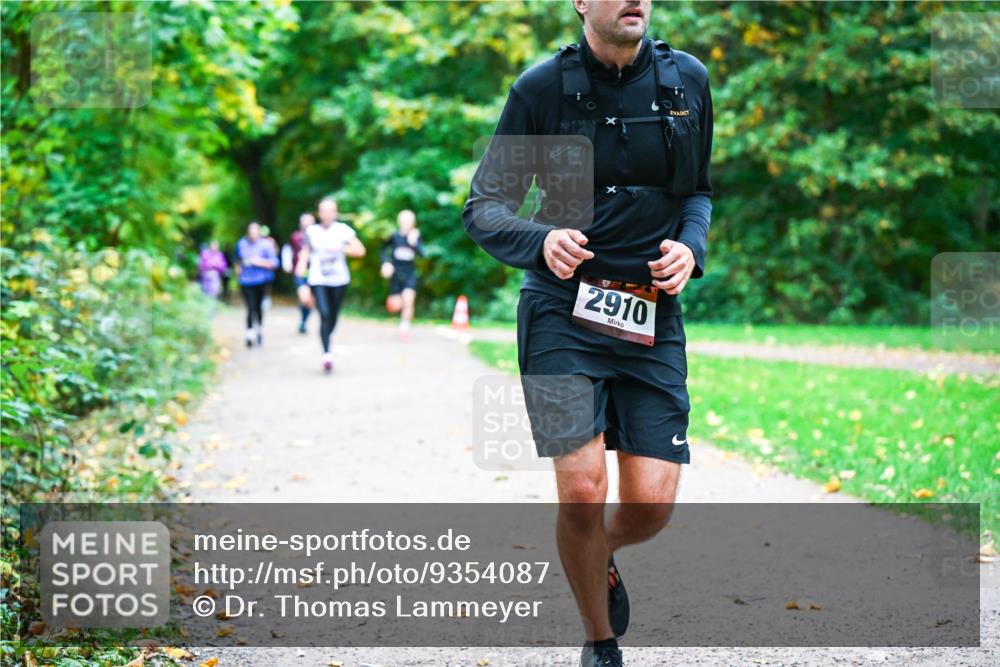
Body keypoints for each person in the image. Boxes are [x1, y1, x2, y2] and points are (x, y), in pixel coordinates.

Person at [462, 1, 713, 665]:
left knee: (652, 504)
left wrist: (691, 247)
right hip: (559, 312)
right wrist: (540, 240)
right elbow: (483, 207)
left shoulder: (685, 81)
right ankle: (600, 642)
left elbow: (698, 191)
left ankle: (598, 551)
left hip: (650, 315)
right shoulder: (541, 90)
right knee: (580, 489)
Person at [296, 197, 366, 373]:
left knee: (333, 316)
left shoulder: (343, 230)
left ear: (335, 213)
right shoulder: (311, 231)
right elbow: (304, 254)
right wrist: (301, 278)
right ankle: (327, 354)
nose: (327, 214)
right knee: (324, 314)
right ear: (319, 213)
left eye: (330, 211)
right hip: (318, 279)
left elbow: (360, 250)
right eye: (324, 211)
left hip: (339, 280)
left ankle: (327, 336)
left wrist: (341, 249)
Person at [380, 209, 425, 341]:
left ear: (413, 223)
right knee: (395, 305)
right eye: (404, 221)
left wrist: (414, 243)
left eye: (409, 221)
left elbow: (422, 254)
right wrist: (385, 263)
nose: (406, 224)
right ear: (399, 222)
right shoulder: (394, 236)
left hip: (409, 273)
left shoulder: (415, 236)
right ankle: (401, 321)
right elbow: (383, 250)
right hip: (395, 274)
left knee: (408, 299)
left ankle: (405, 328)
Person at [237, 222, 279, 348]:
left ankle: (259, 330)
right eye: (251, 231)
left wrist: (260, 262)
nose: (253, 234)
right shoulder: (242, 244)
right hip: (246, 281)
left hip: (261, 281)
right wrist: (239, 267)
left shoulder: (266, 245)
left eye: (255, 231)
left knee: (259, 307)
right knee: (250, 307)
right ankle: (249, 333)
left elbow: (275, 263)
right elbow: (237, 259)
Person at [284, 213, 316, 334]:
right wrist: (287, 265)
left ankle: (304, 321)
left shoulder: (318, 236)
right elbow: (287, 249)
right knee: (304, 297)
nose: (307, 223)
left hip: (316, 272)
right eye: (305, 221)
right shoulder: (295, 236)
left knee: (311, 300)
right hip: (300, 271)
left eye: (309, 221)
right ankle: (303, 318)